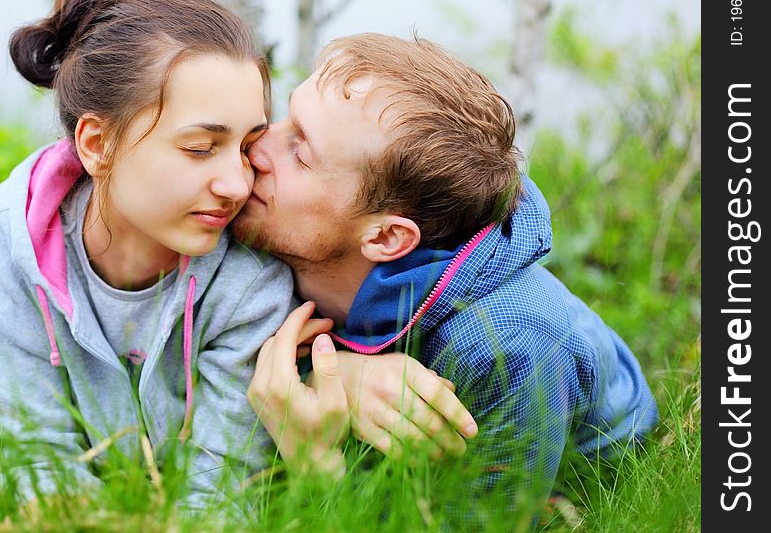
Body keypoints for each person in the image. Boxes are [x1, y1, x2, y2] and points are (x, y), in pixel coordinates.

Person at [237, 33, 659, 526]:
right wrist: (342, 375)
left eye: (301, 152)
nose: (257, 143)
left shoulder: (508, 348)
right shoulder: (282, 230)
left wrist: (315, 467)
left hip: (571, 489)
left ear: (388, 237)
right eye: (287, 117)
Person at [0, 0, 299, 509]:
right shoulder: (0, 254)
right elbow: (38, 464)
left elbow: (224, 492)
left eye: (247, 146)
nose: (236, 184)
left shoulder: (250, 283)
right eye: (200, 148)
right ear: (96, 144)